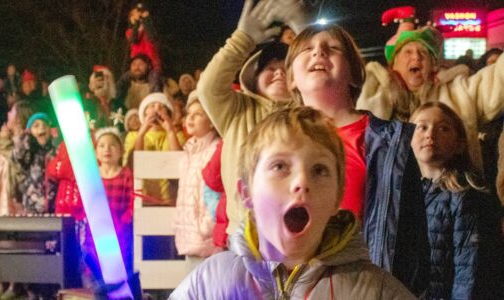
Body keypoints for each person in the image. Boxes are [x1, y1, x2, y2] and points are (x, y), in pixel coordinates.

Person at [170, 107, 416, 299]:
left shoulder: (373, 290)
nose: (301, 181)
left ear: (337, 198)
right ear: (247, 193)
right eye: (280, 166)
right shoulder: (212, 281)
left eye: (319, 170)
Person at [275, 12, 428, 293]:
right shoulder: (274, 143)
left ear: (354, 73)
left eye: (332, 48)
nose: (318, 51)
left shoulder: (389, 144)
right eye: (307, 49)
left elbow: (413, 237)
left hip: (365, 288)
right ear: (291, 79)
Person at [355, 11, 504, 171]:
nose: (416, 57)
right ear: (393, 63)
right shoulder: (369, 91)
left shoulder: (458, 92)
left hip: (450, 189)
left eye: (423, 53)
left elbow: (497, 78)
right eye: (408, 52)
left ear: (433, 65)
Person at [197, 0, 295, 235]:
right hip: (244, 236)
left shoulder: (307, 113)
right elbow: (208, 87)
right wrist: (242, 39)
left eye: (286, 68)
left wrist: (304, 28)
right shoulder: (236, 110)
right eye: (270, 68)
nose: (279, 72)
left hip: (297, 238)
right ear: (254, 77)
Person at [410, 102, 503, 299]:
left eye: (443, 128)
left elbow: (469, 270)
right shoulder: (405, 195)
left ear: (460, 143)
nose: (430, 134)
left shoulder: (464, 197)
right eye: (422, 127)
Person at [172, 91, 222, 271]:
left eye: (198, 114)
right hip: (189, 234)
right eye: (188, 113)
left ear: (211, 121)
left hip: (206, 238)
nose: (190, 118)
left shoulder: (216, 149)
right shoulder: (189, 152)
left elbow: (216, 192)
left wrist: (207, 227)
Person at [93, 127, 135, 278]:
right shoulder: (92, 173)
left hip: (120, 226)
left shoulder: (126, 174)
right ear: (96, 151)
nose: (107, 149)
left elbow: (133, 201)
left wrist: (125, 220)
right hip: (97, 226)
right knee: (96, 262)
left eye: (112, 145)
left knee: (119, 262)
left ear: (121, 150)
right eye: (102, 145)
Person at [134, 92, 185, 204]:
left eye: (162, 107)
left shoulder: (177, 135)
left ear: (168, 114)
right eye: (152, 106)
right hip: (144, 198)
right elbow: (134, 161)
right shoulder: (135, 136)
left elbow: (181, 161)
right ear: (145, 112)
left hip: (170, 200)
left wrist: (170, 131)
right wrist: (141, 134)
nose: (156, 110)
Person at [12, 112, 56, 214]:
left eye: (45, 125)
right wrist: (25, 137)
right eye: (36, 126)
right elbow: (18, 156)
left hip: (52, 205)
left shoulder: (55, 152)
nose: (41, 128)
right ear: (29, 131)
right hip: (32, 205)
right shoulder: (28, 152)